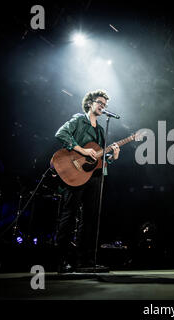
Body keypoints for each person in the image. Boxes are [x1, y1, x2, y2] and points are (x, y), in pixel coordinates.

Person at [54, 89, 120, 273]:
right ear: (90, 103)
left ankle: (84, 260)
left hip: (93, 177)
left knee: (90, 218)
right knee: (69, 215)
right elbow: (61, 133)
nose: (102, 107)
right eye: (100, 103)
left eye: (105, 105)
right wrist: (82, 150)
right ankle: (62, 261)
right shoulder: (78, 120)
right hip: (74, 174)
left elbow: (99, 159)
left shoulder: (100, 130)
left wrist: (112, 156)